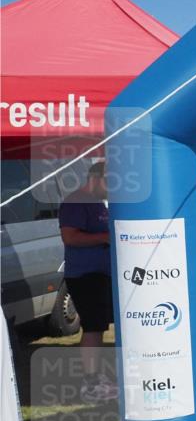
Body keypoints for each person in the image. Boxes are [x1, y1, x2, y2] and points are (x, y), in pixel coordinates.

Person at [58, 161, 118, 403]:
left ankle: (97, 379)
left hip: (100, 275)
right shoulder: (75, 201)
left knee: (99, 326)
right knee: (93, 327)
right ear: (97, 178)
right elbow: (70, 237)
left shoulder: (96, 203)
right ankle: (91, 384)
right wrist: (106, 237)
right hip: (84, 275)